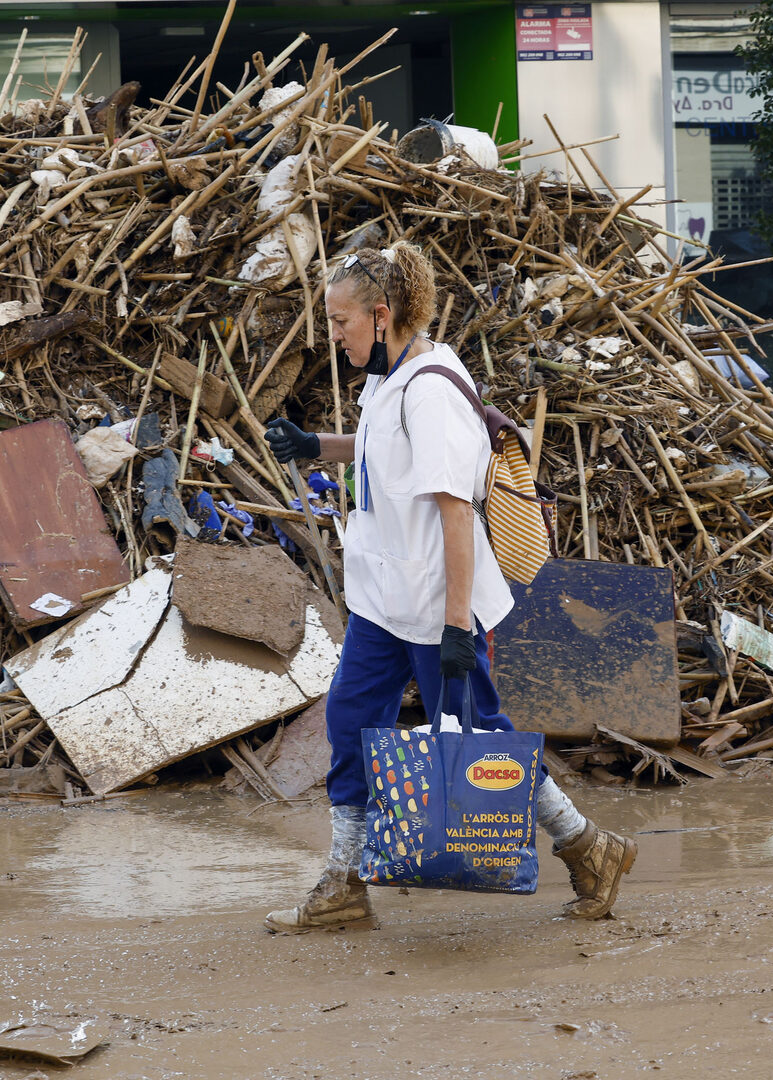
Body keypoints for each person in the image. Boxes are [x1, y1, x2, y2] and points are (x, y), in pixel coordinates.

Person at [261, 242, 637, 934]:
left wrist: (459, 627)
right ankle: (344, 881)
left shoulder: (431, 389)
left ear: (381, 315)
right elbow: (383, 449)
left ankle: (588, 847)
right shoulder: (391, 376)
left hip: (437, 605)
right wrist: (317, 445)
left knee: (480, 739)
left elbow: (455, 512)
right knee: (350, 722)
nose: (333, 335)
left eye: (341, 321)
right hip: (383, 601)